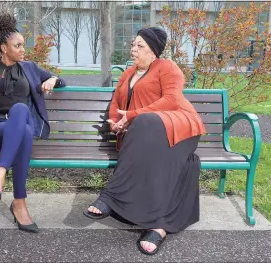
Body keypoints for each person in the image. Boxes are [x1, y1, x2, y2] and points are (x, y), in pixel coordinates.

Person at [83, 27, 206, 255]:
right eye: (133, 44)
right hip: (142, 135)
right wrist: (115, 122)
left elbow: (171, 100)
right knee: (146, 129)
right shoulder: (128, 74)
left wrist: (132, 116)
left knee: (145, 121)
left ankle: (110, 197)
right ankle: (158, 226)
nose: (133, 49)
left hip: (180, 127)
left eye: (140, 46)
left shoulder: (168, 68)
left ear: (154, 52)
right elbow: (116, 104)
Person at [0, 14, 65, 233]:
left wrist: (53, 79)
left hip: (19, 126)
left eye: (23, 46)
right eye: (18, 46)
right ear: (4, 48)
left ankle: (0, 177)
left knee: (21, 112)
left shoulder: (30, 68)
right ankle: (19, 204)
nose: (23, 50)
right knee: (24, 130)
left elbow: (59, 78)